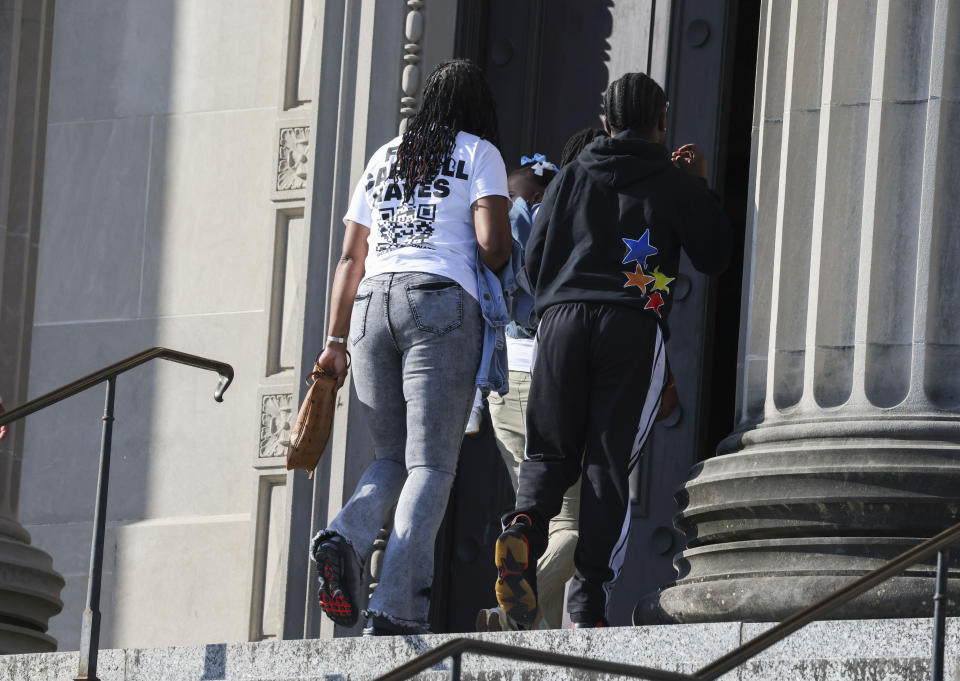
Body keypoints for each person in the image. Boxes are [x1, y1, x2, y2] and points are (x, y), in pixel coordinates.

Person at [493, 72, 731, 628]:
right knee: (606, 462)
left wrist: (559, 300)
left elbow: (533, 258)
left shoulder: (572, 174)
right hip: (631, 323)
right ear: (662, 120)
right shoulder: (670, 179)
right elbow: (715, 253)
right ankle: (588, 601)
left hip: (560, 326)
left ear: (605, 122)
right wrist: (697, 184)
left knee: (549, 452)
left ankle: (523, 527)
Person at [310, 59, 511, 636]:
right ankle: (395, 608)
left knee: (390, 458)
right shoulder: (479, 153)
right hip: (440, 303)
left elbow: (351, 257)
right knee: (429, 464)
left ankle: (345, 536)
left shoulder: (384, 156)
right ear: (478, 110)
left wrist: (333, 342)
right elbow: (492, 245)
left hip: (371, 305)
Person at [478, 152, 577, 631]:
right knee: (570, 527)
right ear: (542, 195)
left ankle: (535, 644)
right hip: (547, 380)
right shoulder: (546, 222)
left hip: (501, 386)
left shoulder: (489, 230)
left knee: (532, 522)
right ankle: (509, 612)